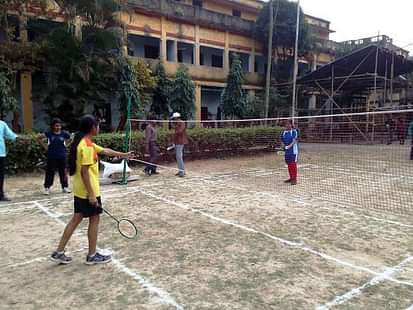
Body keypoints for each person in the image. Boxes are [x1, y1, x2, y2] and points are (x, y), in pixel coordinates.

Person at [50, 115, 132, 265]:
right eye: (97, 125)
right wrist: (92, 195)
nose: (99, 128)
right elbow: (84, 172)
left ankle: (59, 252)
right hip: (88, 191)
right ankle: (92, 255)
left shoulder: (84, 143)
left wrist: (124, 155)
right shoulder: (86, 146)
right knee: (94, 220)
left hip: (80, 190)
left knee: (76, 219)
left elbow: (105, 151)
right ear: (92, 128)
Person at [38, 118, 72, 195]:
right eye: (56, 126)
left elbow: (70, 139)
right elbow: (39, 138)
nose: (58, 127)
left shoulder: (64, 134)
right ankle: (47, 187)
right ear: (53, 126)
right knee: (50, 172)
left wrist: (65, 145)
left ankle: (65, 187)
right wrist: (45, 147)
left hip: (62, 156)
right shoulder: (49, 133)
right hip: (51, 156)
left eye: (59, 126)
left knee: (63, 172)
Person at [0, 118, 18, 201]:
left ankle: (0, 195)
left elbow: (11, 135)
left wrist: (18, 138)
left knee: (0, 176)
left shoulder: (2, 124)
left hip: (1, 153)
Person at [281, 120, 299, 186]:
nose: (287, 125)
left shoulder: (294, 131)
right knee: (288, 164)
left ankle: (294, 179)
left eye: (288, 124)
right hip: (286, 151)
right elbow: (282, 140)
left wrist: (288, 147)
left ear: (291, 125)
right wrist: (283, 146)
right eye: (286, 124)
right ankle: (291, 178)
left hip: (293, 151)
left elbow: (294, 141)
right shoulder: (284, 132)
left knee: (293, 164)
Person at [171, 112, 188, 177]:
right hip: (177, 142)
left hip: (180, 142)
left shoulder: (182, 123)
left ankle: (182, 172)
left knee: (179, 157)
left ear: (176, 118)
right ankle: (181, 170)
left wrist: (175, 127)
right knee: (178, 157)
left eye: (174, 118)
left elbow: (180, 131)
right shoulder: (178, 123)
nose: (173, 120)